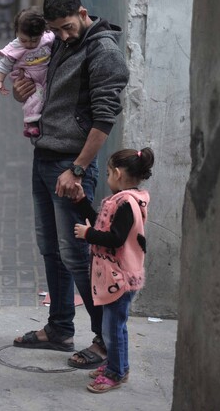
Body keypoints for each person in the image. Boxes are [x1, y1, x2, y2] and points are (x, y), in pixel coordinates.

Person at [11, 0, 129, 371]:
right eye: (56, 30)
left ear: (82, 11)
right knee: (51, 249)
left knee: (78, 255)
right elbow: (43, 90)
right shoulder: (61, 41)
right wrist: (20, 92)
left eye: (66, 27)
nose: (62, 36)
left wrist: (77, 169)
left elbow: (104, 118)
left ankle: (105, 341)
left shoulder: (103, 51)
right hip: (44, 156)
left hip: (70, 164)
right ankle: (60, 327)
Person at [73, 147, 153, 393]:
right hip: (116, 277)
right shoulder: (125, 200)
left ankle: (115, 373)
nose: (107, 177)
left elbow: (115, 238)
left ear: (117, 173)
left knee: (113, 328)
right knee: (115, 326)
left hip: (120, 278)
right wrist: (81, 202)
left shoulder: (126, 203)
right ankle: (119, 366)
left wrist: (88, 235)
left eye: (108, 173)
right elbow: (102, 221)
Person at [0, 7, 55, 137]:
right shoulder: (15, 46)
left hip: (44, 74)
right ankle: (30, 123)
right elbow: (5, 63)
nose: (29, 44)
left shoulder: (47, 38)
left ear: (42, 33)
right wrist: (0, 79)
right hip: (28, 76)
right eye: (24, 40)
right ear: (17, 32)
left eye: (34, 40)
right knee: (35, 97)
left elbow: (55, 36)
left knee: (44, 97)